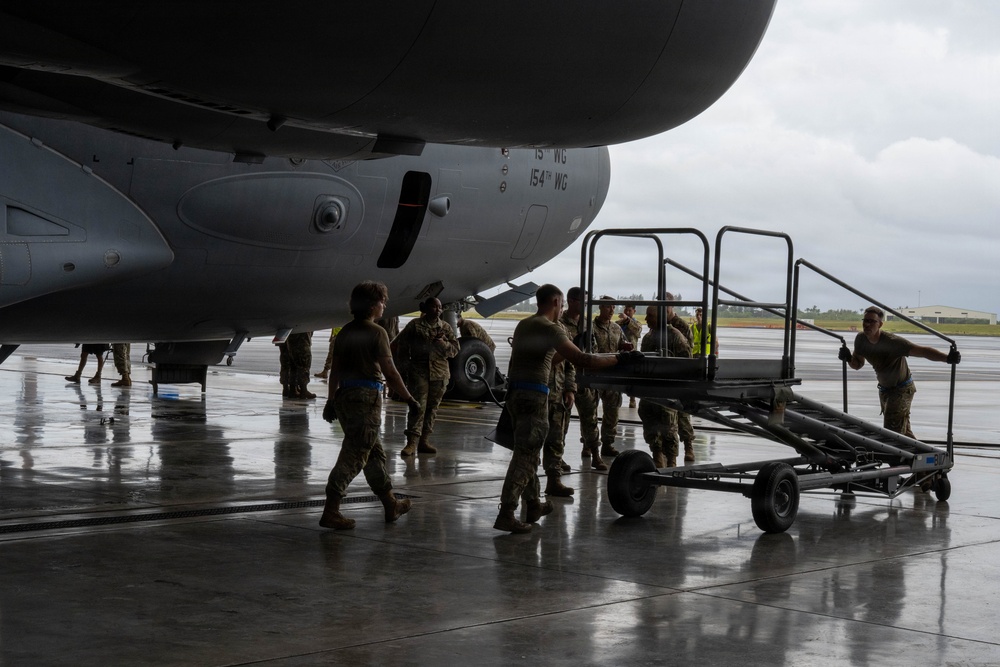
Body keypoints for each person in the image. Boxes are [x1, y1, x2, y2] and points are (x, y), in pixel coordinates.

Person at [495, 284, 636, 533]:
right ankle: (507, 512)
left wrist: (571, 346)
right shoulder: (550, 328)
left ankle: (533, 505)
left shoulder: (525, 324)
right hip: (534, 396)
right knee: (526, 457)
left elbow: (549, 358)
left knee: (527, 451)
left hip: (516, 395)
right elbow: (584, 360)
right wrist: (620, 359)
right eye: (561, 305)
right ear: (557, 302)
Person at [318, 281, 421, 530]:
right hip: (366, 399)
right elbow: (390, 372)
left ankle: (390, 504)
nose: (385, 305)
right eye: (383, 301)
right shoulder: (377, 332)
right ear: (374, 305)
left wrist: (331, 401)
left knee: (373, 454)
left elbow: (335, 372)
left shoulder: (345, 332)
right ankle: (331, 510)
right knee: (354, 455)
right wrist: (410, 399)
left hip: (346, 398)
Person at [840, 306, 960, 441]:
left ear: (880, 324)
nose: (867, 324)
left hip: (901, 390)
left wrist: (947, 358)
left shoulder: (893, 342)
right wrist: (848, 358)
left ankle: (897, 461)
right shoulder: (861, 340)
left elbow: (923, 351)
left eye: (872, 321)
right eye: (865, 320)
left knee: (892, 433)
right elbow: (857, 365)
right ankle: (921, 457)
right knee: (903, 431)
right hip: (885, 390)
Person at [392, 298, 460, 456]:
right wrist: (404, 367)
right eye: (434, 306)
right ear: (426, 308)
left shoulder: (445, 327)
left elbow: (455, 349)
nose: (437, 310)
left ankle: (424, 441)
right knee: (417, 407)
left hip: (439, 373)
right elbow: (400, 345)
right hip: (419, 371)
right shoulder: (414, 325)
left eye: (440, 307)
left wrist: (444, 344)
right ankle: (411, 443)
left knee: (432, 409)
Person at [637, 305, 691, 467]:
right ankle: (657, 454)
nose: (646, 319)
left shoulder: (675, 336)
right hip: (650, 390)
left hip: (667, 390)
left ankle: (671, 461)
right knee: (649, 421)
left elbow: (686, 362)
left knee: (669, 428)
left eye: (650, 316)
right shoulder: (648, 337)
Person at [559, 287, 606, 471]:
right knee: (562, 420)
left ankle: (595, 454)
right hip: (565, 378)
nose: (585, 306)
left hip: (584, 378)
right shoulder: (560, 323)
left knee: (590, 417)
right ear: (571, 301)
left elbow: (592, 347)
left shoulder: (586, 323)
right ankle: (558, 456)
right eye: (582, 302)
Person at [591, 295, 634, 458]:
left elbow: (623, 346)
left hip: (611, 377)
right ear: (601, 307)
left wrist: (626, 349)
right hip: (594, 375)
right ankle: (590, 444)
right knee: (590, 413)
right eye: (608, 307)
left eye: (614, 307)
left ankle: (608, 443)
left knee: (612, 412)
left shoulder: (616, 328)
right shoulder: (591, 327)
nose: (611, 310)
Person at [541, 319, 576, 497]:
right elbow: (544, 361)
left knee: (556, 440)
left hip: (558, 394)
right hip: (539, 393)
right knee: (533, 442)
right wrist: (570, 351)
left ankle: (554, 480)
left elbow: (570, 366)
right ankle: (528, 486)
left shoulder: (563, 330)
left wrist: (570, 388)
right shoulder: (536, 328)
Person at [666, 293, 697, 462]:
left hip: (679, 374)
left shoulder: (681, 326)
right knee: (666, 415)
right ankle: (668, 451)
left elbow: (687, 352)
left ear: (672, 306)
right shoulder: (659, 324)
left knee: (683, 414)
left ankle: (688, 447)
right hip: (665, 376)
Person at [618, 303, 643, 408]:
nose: (627, 312)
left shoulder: (636, 323)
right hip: (620, 353)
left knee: (631, 378)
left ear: (634, 311)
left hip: (632, 354)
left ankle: (632, 399)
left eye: (629, 311)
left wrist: (628, 320)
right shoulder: (619, 323)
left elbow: (638, 332)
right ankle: (617, 398)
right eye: (625, 310)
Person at [278, 331, 315, 399]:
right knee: (303, 362)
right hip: (300, 335)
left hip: (287, 335)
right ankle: (303, 391)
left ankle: (291, 389)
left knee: (290, 362)